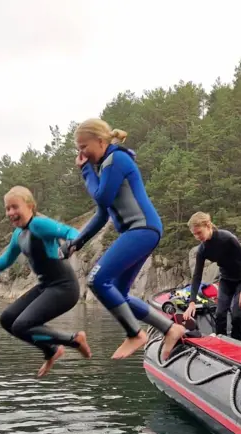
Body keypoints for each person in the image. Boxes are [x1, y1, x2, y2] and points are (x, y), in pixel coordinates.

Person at [62, 118, 185, 360]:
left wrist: (85, 171)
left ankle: (135, 334)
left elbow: (102, 197)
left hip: (142, 229)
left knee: (97, 280)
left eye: (83, 147)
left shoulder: (116, 159)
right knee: (119, 292)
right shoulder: (106, 164)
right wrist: (77, 242)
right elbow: (102, 213)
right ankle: (171, 329)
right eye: (78, 149)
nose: (81, 153)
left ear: (100, 141)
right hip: (141, 231)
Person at [0, 186, 92, 377]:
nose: (10, 213)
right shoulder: (19, 234)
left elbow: (71, 232)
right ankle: (51, 350)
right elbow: (6, 260)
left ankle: (74, 340)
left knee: (21, 325)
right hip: (46, 286)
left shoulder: (39, 225)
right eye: (7, 209)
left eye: (14, 207)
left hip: (64, 288)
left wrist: (71, 245)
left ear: (30, 206)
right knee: (7, 320)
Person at [182, 212, 241, 340]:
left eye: (199, 233)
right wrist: (192, 302)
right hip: (225, 280)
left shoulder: (227, 238)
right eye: (194, 234)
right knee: (220, 314)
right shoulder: (202, 250)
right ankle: (221, 340)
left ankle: (238, 341)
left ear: (208, 225)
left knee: (236, 315)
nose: (197, 237)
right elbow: (197, 276)